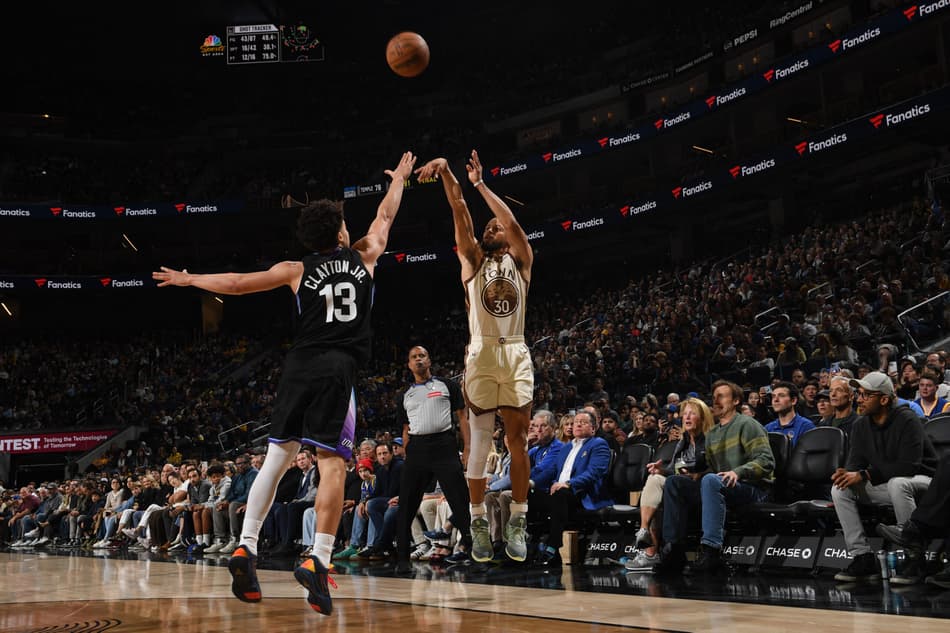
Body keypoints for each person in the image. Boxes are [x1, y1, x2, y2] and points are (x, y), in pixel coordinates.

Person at [153, 151, 416, 615]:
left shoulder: (296, 270)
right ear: (339, 233)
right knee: (334, 465)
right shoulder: (365, 255)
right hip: (338, 368)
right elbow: (386, 214)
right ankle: (319, 559)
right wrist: (399, 180)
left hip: (298, 367)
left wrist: (188, 278)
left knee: (276, 459)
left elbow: (235, 284)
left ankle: (246, 545)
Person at [415, 150, 534, 563]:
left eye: (497, 224)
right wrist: (448, 170)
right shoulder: (472, 260)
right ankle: (479, 519)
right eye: (489, 225)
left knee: (517, 440)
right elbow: (459, 208)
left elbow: (515, 224)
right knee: (480, 441)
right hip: (482, 351)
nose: (493, 226)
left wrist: (483, 184)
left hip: (516, 350)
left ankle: (519, 518)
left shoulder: (522, 262)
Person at [654, 380, 774, 576]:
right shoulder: (713, 434)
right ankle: (675, 549)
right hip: (722, 486)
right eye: (714, 396)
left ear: (736, 401)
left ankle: (711, 552)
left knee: (710, 480)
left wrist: (738, 472)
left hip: (752, 488)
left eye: (722, 396)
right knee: (675, 483)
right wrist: (675, 472)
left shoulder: (748, 424)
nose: (716, 400)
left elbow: (766, 460)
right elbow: (707, 467)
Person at [830, 371, 937, 582]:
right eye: (859, 394)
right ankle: (863, 557)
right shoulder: (860, 425)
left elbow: (909, 465)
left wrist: (865, 474)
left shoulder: (908, 420)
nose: (859, 399)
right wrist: (846, 473)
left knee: (898, 483)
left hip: (926, 484)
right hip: (889, 485)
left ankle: (915, 556)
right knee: (840, 490)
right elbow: (856, 462)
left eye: (865, 395)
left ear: (884, 399)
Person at [392, 344, 471, 573]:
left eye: (422, 355)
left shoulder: (448, 385)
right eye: (414, 357)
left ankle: (470, 549)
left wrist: (467, 449)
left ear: (429, 360)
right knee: (406, 504)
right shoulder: (404, 395)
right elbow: (405, 428)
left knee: (459, 500)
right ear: (409, 364)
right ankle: (403, 559)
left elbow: (462, 418)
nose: (418, 359)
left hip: (444, 445)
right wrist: (408, 451)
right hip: (417, 449)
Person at [626, 397, 713, 572]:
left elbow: (717, 468)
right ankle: (645, 535)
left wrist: (698, 474)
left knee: (670, 484)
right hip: (679, 487)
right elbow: (674, 469)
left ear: (703, 418)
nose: (687, 418)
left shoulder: (711, 439)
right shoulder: (683, 442)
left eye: (692, 414)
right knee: (654, 479)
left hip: (703, 488)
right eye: (685, 414)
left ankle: (663, 549)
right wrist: (662, 470)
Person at [764, 382, 816, 448]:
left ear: (793, 400)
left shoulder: (806, 427)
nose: (775, 400)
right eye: (773, 396)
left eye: (781, 395)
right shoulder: (768, 428)